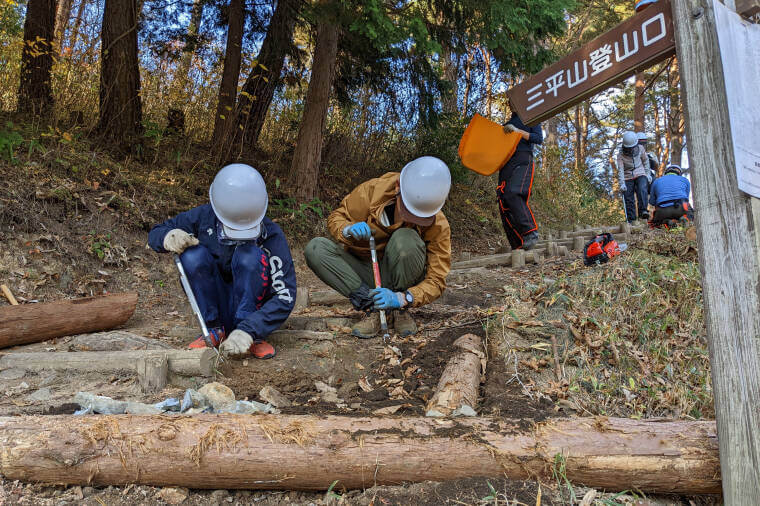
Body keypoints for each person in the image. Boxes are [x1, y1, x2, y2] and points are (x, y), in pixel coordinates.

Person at [148, 163, 297, 359]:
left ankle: (251, 336)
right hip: (214, 304)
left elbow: (285, 295)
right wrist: (168, 236)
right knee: (192, 256)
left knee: (250, 257)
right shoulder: (201, 217)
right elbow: (156, 232)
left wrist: (251, 329)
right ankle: (214, 330)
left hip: (252, 311)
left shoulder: (271, 235)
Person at [304, 157, 451, 339]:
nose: (411, 219)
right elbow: (337, 217)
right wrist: (347, 229)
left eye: (418, 217)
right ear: (398, 187)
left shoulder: (438, 223)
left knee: (406, 238)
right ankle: (373, 306)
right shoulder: (372, 192)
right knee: (316, 249)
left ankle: (399, 311)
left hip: (405, 277)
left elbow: (437, 280)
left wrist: (404, 298)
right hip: (365, 269)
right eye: (408, 211)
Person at [499, 103, 543, 251]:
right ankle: (517, 243)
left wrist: (518, 131)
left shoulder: (531, 118)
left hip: (523, 158)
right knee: (503, 199)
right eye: (510, 102)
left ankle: (530, 233)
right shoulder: (507, 124)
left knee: (513, 192)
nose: (512, 105)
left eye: (514, 101)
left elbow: (538, 138)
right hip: (505, 162)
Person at [617, 130, 650, 223]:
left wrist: (648, 174)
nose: (630, 150)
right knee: (628, 196)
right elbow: (620, 170)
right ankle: (632, 219)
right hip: (627, 176)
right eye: (628, 148)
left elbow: (646, 161)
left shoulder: (641, 149)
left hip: (640, 173)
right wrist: (622, 183)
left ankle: (643, 211)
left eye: (632, 148)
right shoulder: (620, 155)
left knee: (642, 188)